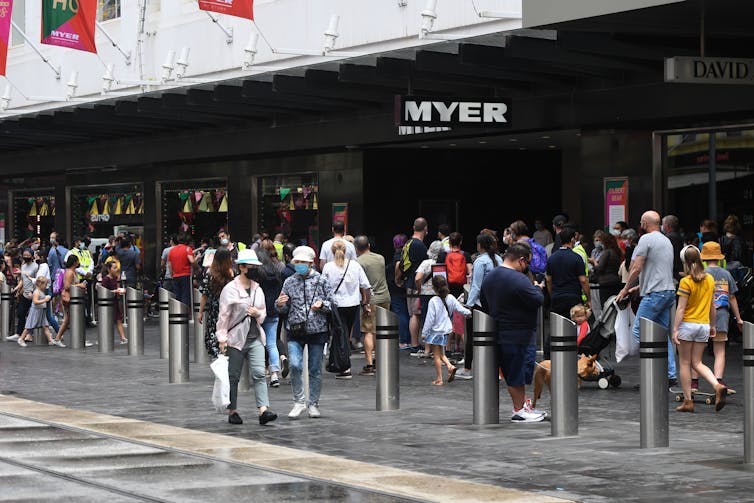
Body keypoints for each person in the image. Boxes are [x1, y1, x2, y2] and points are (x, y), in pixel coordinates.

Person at [481, 242, 545, 422]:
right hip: (520, 333)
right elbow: (537, 300)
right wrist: (537, 287)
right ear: (522, 260)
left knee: (510, 372)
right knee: (518, 372)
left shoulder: (490, 277)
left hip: (499, 331)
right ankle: (519, 410)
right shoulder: (519, 279)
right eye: (527, 264)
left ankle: (521, 406)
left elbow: (484, 302)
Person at [215, 249, 277, 426]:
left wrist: (258, 313)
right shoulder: (230, 289)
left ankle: (263, 409)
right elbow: (224, 316)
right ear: (242, 267)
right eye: (251, 266)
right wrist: (222, 338)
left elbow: (263, 312)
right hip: (235, 339)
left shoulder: (258, 289)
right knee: (233, 376)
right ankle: (232, 410)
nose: (254, 269)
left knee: (258, 373)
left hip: (255, 336)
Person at [617, 211, 678, 386]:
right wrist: (639, 287)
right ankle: (670, 374)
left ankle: (655, 371)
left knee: (638, 330)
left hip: (655, 294)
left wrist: (626, 287)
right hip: (667, 292)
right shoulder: (666, 240)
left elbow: (637, 267)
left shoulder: (645, 239)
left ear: (644, 223)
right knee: (660, 334)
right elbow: (658, 270)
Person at [276, 246, 334, 419]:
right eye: (297, 262)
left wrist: (322, 305)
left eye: (303, 262)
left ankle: (313, 403)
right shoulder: (289, 282)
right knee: (294, 364)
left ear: (311, 263)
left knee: (315, 369)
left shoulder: (321, 280)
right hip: (295, 329)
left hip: (317, 330)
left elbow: (332, 303)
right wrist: (280, 304)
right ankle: (299, 401)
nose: (299, 265)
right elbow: (281, 307)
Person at [672, 245, 728, 413]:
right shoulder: (709, 279)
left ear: (685, 263)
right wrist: (712, 325)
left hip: (688, 325)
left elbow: (681, 309)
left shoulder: (686, 282)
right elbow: (712, 306)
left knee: (685, 363)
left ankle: (688, 401)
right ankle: (717, 385)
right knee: (697, 362)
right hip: (703, 325)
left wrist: (675, 329)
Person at [322, 240, 371, 379]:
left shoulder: (328, 267)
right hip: (353, 304)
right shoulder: (355, 265)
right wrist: (366, 303)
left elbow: (322, 286)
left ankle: (345, 366)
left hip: (336, 305)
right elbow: (366, 285)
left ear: (332, 251)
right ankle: (337, 363)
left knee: (340, 333)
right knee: (345, 332)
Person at [457, 233, 503, 380]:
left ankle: (467, 368)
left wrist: (468, 305)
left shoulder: (480, 261)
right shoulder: (498, 259)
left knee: (471, 336)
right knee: (494, 336)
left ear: (479, 245)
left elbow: (476, 286)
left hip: (480, 304)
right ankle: (496, 369)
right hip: (495, 303)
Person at [700, 241, 743, 393]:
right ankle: (718, 382)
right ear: (719, 258)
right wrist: (738, 318)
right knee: (720, 351)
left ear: (703, 258)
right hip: (722, 316)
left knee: (696, 353)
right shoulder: (726, 274)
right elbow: (732, 298)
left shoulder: (701, 274)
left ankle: (693, 384)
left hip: (702, 316)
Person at [422, 275, 471, 385]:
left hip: (435, 331)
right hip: (446, 330)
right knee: (441, 353)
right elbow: (460, 309)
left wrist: (425, 333)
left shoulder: (433, 301)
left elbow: (430, 318)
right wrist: (469, 313)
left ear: (434, 287)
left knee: (436, 355)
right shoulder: (451, 298)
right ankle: (450, 366)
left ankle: (439, 378)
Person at [354, 235, 391, 376]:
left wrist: (365, 301)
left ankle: (370, 364)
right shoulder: (380, 258)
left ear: (356, 248)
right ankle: (380, 360)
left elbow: (361, 285)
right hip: (385, 297)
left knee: (368, 330)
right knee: (380, 330)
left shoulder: (358, 262)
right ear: (369, 245)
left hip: (370, 299)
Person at [254, 246, 286, 387]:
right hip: (273, 312)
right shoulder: (275, 272)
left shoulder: (256, 276)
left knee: (258, 343)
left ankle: (260, 371)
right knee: (272, 343)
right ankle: (274, 375)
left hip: (258, 313)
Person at [397, 218, 429, 352]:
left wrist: (399, 278)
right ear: (425, 229)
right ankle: (415, 345)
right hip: (417, 284)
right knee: (416, 314)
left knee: (413, 314)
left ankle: (415, 343)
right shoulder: (419, 245)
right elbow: (424, 267)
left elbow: (401, 264)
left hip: (409, 282)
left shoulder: (408, 243)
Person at [199, 249, 234, 361]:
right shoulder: (232, 274)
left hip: (215, 311)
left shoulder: (210, 274)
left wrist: (200, 312)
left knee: (214, 335)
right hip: (230, 310)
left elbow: (204, 295)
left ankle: (218, 359)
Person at [54, 255, 86, 346]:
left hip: (74, 297)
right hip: (69, 298)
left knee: (69, 319)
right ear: (74, 262)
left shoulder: (73, 272)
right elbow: (67, 286)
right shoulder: (69, 273)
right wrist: (80, 285)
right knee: (68, 319)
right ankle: (58, 338)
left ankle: (60, 338)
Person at [387, 234, 411, 350]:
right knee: (406, 313)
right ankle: (408, 339)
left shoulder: (398, 255)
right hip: (405, 287)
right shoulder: (406, 254)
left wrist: (396, 279)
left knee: (401, 313)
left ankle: (403, 340)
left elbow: (397, 265)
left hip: (396, 288)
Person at [100, 262, 128, 345]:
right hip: (108, 303)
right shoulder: (106, 279)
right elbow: (104, 291)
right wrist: (115, 291)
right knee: (107, 320)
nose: (116, 269)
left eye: (116, 267)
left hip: (114, 301)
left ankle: (123, 337)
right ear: (109, 269)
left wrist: (120, 291)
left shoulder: (115, 278)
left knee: (119, 319)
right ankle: (104, 337)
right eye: (114, 268)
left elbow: (116, 288)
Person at [34, 250, 60, 334]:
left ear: (41, 257)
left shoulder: (44, 266)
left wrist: (30, 279)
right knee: (43, 315)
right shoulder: (40, 266)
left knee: (46, 315)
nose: (35, 258)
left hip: (45, 291)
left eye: (37, 257)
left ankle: (58, 332)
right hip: (44, 291)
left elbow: (39, 279)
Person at [14, 249, 38, 338]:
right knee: (21, 313)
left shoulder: (36, 266)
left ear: (32, 256)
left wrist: (33, 292)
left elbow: (37, 280)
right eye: (24, 255)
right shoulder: (23, 266)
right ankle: (19, 333)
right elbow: (22, 280)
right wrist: (16, 289)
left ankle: (29, 334)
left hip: (32, 294)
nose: (26, 257)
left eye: (28, 255)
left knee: (32, 315)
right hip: (25, 293)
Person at [168, 232, 195, 306]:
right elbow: (192, 260)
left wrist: (172, 274)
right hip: (186, 275)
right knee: (185, 296)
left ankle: (179, 314)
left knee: (177, 296)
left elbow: (170, 265)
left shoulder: (172, 250)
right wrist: (197, 268)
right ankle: (185, 315)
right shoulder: (187, 249)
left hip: (175, 276)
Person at [661, 215, 685, 281]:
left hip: (673, 272)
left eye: (663, 224)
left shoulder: (669, 238)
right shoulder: (679, 236)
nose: (662, 226)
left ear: (667, 226)